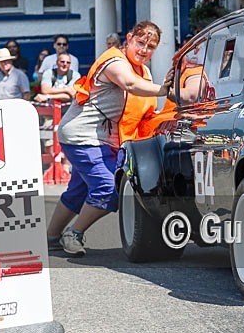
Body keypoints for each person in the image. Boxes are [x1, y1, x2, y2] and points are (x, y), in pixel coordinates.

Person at [45, 21, 174, 257]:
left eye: (151, 46)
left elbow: (144, 110)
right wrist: (167, 90)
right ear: (129, 38)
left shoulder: (143, 71)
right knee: (107, 189)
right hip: (84, 136)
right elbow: (130, 85)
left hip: (100, 140)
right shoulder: (115, 61)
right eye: (140, 42)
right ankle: (73, 233)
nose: (144, 49)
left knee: (78, 190)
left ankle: (50, 238)